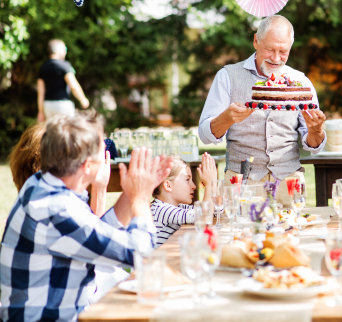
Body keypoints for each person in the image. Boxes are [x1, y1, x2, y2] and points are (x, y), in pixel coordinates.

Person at [0, 113, 173, 322]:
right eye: (103, 149)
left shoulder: (42, 185)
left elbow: (94, 232)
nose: (109, 154)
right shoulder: (56, 208)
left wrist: (131, 193)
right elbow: (140, 251)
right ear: (88, 166)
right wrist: (140, 198)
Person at [198, 15, 326, 206]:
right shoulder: (227, 76)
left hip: (289, 183)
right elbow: (205, 135)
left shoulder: (301, 83)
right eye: (269, 49)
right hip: (241, 182)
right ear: (256, 41)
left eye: (283, 51)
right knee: (239, 234)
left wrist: (316, 131)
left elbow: (314, 145)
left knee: (292, 233)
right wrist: (227, 118)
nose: (276, 58)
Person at [151, 153, 217, 246]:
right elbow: (204, 217)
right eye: (187, 180)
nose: (194, 186)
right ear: (168, 185)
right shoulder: (162, 210)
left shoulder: (177, 207)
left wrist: (212, 183)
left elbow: (216, 210)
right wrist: (209, 183)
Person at [37, 39, 89, 122]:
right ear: (57, 50)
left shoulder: (43, 67)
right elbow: (73, 86)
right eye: (64, 49)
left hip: (48, 105)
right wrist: (82, 99)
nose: (65, 52)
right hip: (62, 105)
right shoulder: (64, 65)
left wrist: (40, 111)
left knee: (52, 132)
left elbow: (41, 91)